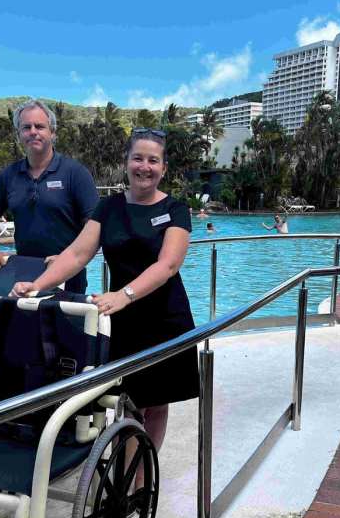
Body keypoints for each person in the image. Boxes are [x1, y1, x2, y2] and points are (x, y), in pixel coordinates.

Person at [10, 128, 200, 465]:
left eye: (153, 160)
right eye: (138, 158)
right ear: (126, 163)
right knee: (127, 400)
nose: (145, 166)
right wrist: (38, 284)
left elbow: (168, 264)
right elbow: (78, 254)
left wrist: (125, 294)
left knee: (156, 402)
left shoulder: (176, 209)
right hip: (121, 318)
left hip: (163, 317)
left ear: (163, 168)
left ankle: (142, 475)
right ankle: (124, 470)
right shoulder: (108, 207)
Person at [0, 99, 98, 292]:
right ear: (19, 134)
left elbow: (94, 224)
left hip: (68, 278)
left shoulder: (75, 173)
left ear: (52, 132)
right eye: (26, 127)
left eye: (40, 126)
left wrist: (67, 258)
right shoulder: (8, 176)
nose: (33, 131)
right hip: (23, 274)